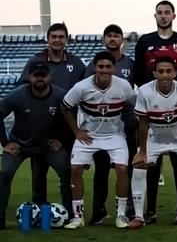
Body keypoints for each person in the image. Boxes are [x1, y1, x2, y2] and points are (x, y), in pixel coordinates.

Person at [133, 0, 177, 225]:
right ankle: (150, 211)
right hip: (153, 106)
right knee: (152, 165)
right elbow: (139, 73)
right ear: (155, 16)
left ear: (173, 16)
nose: (163, 16)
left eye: (167, 13)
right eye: (159, 13)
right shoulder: (145, 41)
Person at [61, 51, 136, 229]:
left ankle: (121, 215)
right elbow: (65, 107)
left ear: (114, 68)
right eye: (101, 66)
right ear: (95, 67)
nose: (104, 70)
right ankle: (78, 216)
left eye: (108, 67)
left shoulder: (123, 86)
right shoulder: (82, 87)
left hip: (114, 134)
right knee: (76, 169)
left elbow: (135, 106)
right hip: (89, 135)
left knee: (122, 168)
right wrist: (77, 131)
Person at [130, 56, 177, 229]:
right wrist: (142, 151)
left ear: (175, 73)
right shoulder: (144, 91)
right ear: (155, 73)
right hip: (154, 139)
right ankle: (139, 216)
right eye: (161, 71)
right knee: (139, 166)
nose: (165, 75)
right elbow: (142, 123)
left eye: (168, 71)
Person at [20, 22, 85, 211]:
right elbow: (23, 89)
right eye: (54, 36)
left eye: (61, 37)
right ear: (47, 39)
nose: (57, 40)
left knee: (69, 171)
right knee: (39, 171)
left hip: (67, 126)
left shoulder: (76, 63)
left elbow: (86, 91)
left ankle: (70, 209)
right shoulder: (35, 61)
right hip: (42, 126)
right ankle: (38, 209)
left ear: (67, 39)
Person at [0, 61, 72, 229]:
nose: (40, 79)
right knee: (5, 173)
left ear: (50, 77)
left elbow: (70, 119)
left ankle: (70, 215)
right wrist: (5, 143)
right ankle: (0, 218)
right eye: (36, 75)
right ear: (29, 77)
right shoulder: (18, 95)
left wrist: (60, 139)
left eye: (43, 75)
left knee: (66, 170)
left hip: (47, 145)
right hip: (19, 145)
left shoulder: (60, 96)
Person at [85, 24, 137, 225]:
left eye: (116, 36)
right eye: (109, 36)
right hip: (101, 124)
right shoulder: (93, 65)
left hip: (125, 122)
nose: (113, 39)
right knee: (102, 167)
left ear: (122, 40)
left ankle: (129, 206)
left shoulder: (130, 64)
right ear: (104, 39)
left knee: (127, 166)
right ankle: (99, 208)